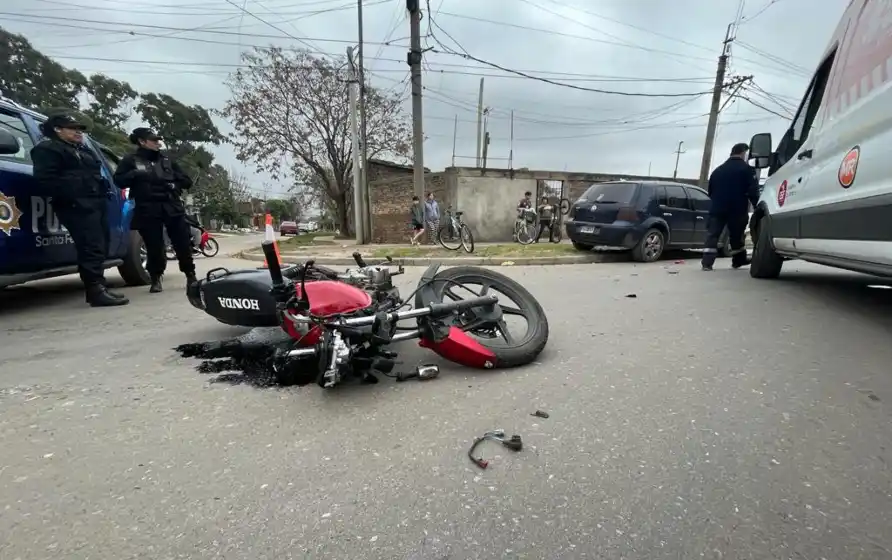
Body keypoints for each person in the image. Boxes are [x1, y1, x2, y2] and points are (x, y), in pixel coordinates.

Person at [30, 113, 129, 307]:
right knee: (90, 246)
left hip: (96, 203)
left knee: (100, 245)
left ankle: (99, 285)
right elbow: (46, 180)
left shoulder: (83, 150)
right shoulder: (47, 149)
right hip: (75, 206)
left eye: (80, 129)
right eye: (72, 128)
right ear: (57, 129)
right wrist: (72, 197)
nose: (78, 132)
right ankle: (95, 290)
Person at [113, 128, 196, 293]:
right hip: (148, 207)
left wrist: (175, 184)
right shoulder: (130, 160)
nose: (158, 143)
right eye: (153, 140)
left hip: (171, 205)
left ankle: (190, 275)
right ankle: (156, 277)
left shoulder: (167, 160)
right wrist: (134, 174)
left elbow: (187, 180)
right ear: (142, 142)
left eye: (158, 140)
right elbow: (119, 181)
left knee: (182, 242)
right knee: (154, 245)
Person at [701, 142, 761, 271]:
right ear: (743, 153)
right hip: (737, 208)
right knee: (737, 235)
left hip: (717, 207)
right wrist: (758, 206)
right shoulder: (747, 170)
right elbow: (753, 191)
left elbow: (710, 190)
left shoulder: (718, 170)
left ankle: (707, 263)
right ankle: (738, 260)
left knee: (713, 235)